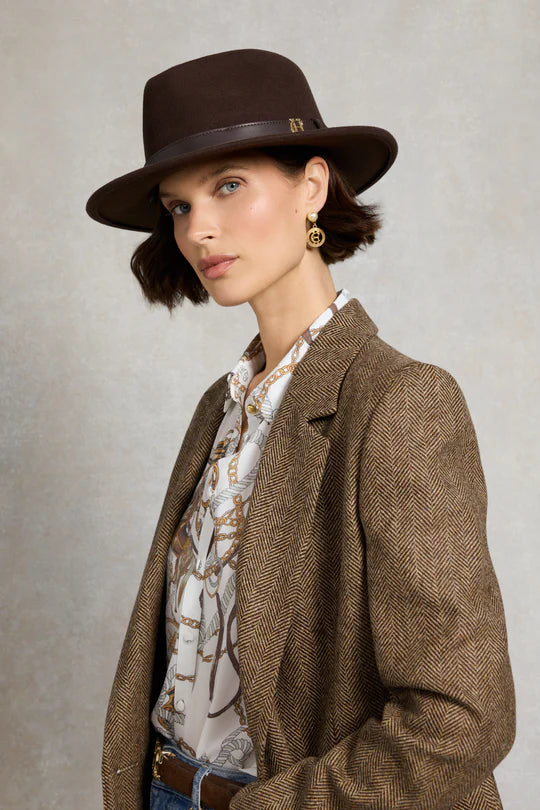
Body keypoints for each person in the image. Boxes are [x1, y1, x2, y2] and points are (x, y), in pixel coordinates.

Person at [86, 48, 516, 810]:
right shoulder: (218, 410)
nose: (200, 230)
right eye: (179, 205)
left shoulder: (401, 404)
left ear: (312, 186)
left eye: (228, 186)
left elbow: (462, 718)